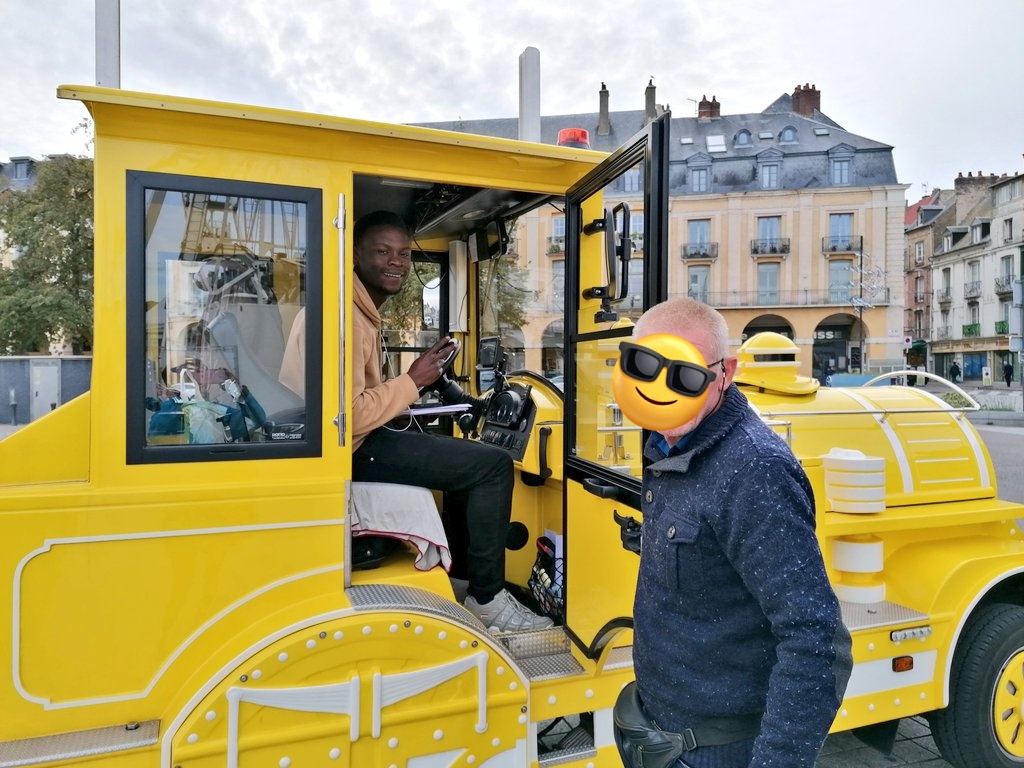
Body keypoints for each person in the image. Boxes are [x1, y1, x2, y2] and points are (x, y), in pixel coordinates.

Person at [284, 210, 551, 633]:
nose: (397, 262)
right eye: (383, 252)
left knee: (469, 463)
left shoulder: (352, 307)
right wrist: (413, 380)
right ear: (354, 254)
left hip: (338, 447)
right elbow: (346, 417)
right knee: (492, 465)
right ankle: (487, 599)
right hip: (345, 452)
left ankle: (464, 580)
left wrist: (418, 384)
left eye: (404, 254)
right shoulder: (345, 318)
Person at [622, 297, 852, 768]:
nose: (661, 389)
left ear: (725, 372)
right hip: (659, 730)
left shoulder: (753, 469)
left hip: (715, 750)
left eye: (686, 376)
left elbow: (816, 638)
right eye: (644, 365)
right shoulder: (664, 440)